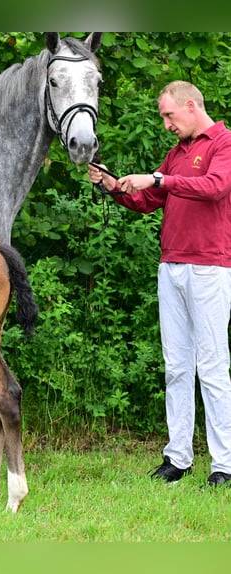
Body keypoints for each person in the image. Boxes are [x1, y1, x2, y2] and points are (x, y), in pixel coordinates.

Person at [88, 80, 231, 488]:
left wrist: (158, 180)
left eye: (169, 115)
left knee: (213, 367)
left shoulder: (223, 143)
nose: (166, 123)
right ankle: (178, 458)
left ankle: (224, 466)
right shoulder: (178, 152)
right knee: (177, 366)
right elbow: (148, 200)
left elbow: (216, 188)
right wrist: (113, 186)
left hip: (209, 267)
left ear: (190, 105)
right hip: (171, 267)